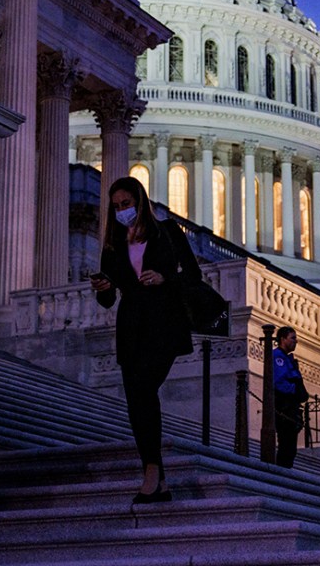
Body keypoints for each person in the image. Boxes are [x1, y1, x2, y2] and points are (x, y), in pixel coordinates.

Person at [90, 176, 197, 503]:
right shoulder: (113, 245)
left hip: (164, 322)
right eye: (117, 206)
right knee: (137, 397)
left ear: (140, 200)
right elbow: (109, 300)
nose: (123, 211)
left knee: (143, 389)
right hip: (132, 325)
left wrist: (165, 277)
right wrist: (105, 290)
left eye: (127, 204)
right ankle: (157, 476)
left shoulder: (167, 232)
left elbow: (193, 275)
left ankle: (151, 471)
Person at [272, 326, 306, 468]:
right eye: (292, 338)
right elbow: (278, 382)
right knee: (286, 443)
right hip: (284, 406)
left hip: (291, 406)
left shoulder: (288, 359)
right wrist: (295, 390)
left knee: (291, 446)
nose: (295, 341)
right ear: (282, 339)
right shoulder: (278, 357)